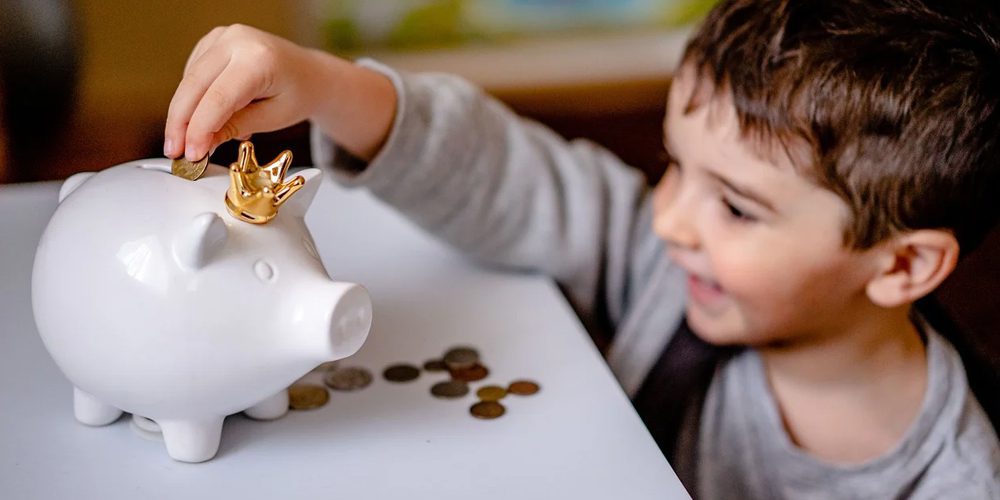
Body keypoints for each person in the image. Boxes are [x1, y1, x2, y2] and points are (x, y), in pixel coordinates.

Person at [163, 0, 1000, 497]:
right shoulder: (666, 264)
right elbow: (506, 173)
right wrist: (323, 85)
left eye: (737, 209)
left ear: (901, 266)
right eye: (675, 165)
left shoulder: (959, 481)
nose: (668, 218)